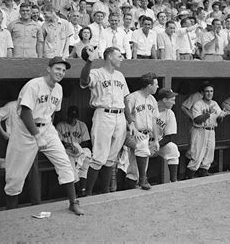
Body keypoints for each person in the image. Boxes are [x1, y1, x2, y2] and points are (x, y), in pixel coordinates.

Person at [4, 57, 84, 215]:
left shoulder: (59, 89)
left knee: (65, 163)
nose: (60, 72)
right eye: (57, 69)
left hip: (46, 127)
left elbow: (52, 112)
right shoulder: (34, 85)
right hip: (25, 130)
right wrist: (37, 135)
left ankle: (73, 202)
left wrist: (47, 131)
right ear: (49, 69)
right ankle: (10, 214)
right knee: (15, 176)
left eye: (63, 70)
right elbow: (25, 112)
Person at [80, 47, 129, 196]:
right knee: (99, 156)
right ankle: (87, 193)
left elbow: (125, 98)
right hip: (104, 114)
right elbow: (84, 80)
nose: (122, 58)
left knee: (111, 157)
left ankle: (105, 191)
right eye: (119, 56)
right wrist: (89, 62)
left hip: (120, 115)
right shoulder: (96, 72)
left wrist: (130, 121)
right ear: (109, 57)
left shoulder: (120, 75)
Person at [124, 73, 159, 190]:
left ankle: (132, 188)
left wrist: (156, 140)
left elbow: (154, 120)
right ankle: (143, 180)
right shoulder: (132, 97)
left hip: (145, 134)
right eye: (156, 84)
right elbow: (125, 116)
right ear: (149, 85)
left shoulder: (152, 99)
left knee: (135, 167)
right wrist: (133, 130)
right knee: (143, 147)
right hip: (131, 133)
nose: (157, 87)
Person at [186, 83, 228, 178]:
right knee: (196, 156)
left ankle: (202, 178)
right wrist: (208, 113)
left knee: (209, 157)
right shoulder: (198, 104)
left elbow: (218, 120)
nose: (209, 93)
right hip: (200, 131)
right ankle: (188, 179)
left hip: (211, 131)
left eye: (211, 91)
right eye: (207, 91)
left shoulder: (215, 104)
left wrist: (221, 116)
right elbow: (196, 119)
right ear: (203, 93)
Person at [56, 106, 92, 197]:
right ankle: (78, 189)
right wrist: (70, 145)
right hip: (66, 151)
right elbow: (58, 142)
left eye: (74, 117)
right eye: (71, 117)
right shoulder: (60, 126)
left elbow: (86, 142)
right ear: (67, 116)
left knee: (87, 156)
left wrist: (76, 146)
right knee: (70, 164)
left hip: (79, 150)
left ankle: (82, 188)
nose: (72, 119)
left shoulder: (81, 125)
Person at [153, 88, 180, 182]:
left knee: (173, 148)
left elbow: (170, 136)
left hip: (158, 142)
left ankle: (174, 181)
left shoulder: (169, 113)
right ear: (164, 100)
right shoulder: (150, 106)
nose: (174, 103)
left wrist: (156, 145)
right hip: (142, 140)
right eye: (172, 100)